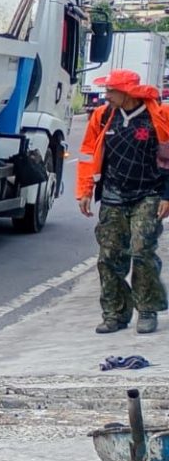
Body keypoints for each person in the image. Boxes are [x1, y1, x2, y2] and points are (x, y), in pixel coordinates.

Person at [76, 70, 169, 335]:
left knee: (142, 251)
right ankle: (115, 314)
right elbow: (86, 155)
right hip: (113, 195)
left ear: (127, 92)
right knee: (108, 257)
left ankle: (147, 309)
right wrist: (85, 190)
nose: (106, 96)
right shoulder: (103, 116)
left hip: (148, 194)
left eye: (111, 91)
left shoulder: (158, 117)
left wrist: (167, 195)